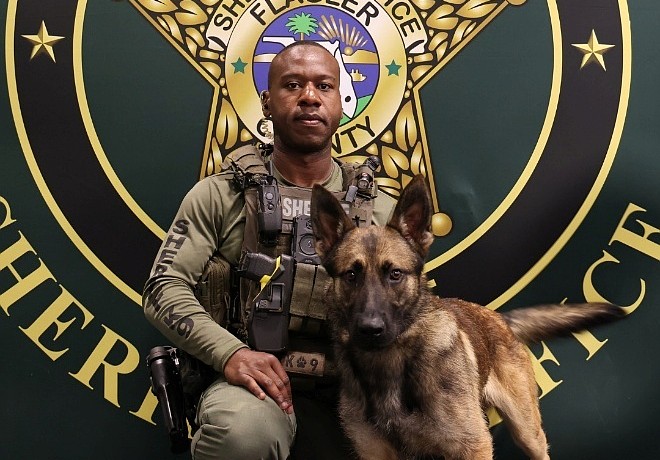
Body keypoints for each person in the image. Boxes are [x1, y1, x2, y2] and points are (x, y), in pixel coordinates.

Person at [143, 40, 396, 459]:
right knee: (242, 434)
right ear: (266, 101)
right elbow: (163, 288)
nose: (309, 97)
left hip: (359, 384)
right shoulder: (221, 195)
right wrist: (232, 354)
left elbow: (418, 312)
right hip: (252, 383)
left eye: (324, 86)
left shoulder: (381, 211)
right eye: (292, 85)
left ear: (341, 102)